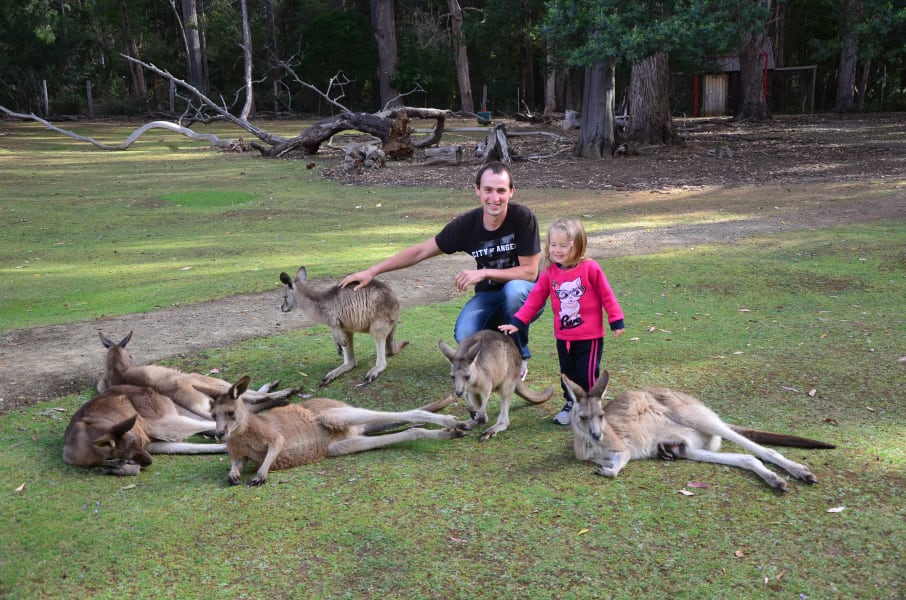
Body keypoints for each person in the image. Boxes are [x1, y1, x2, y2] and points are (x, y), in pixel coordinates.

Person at [340, 161, 544, 379]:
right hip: (490, 296)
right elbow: (420, 251)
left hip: (525, 297)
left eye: (501, 191)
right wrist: (372, 271)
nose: (495, 198)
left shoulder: (523, 218)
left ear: (511, 192)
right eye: (488, 190)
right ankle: (498, 345)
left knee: (513, 291)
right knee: (465, 335)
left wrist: (484, 273)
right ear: (477, 190)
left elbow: (529, 273)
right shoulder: (467, 225)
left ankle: (519, 358)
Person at [499, 217, 624, 425]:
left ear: (576, 246)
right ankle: (571, 404)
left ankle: (592, 407)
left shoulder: (591, 268)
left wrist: (616, 319)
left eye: (563, 246)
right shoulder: (550, 273)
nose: (557, 250)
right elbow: (534, 300)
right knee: (567, 373)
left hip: (589, 337)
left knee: (587, 374)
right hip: (564, 337)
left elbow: (607, 295)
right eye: (553, 245)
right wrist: (518, 322)